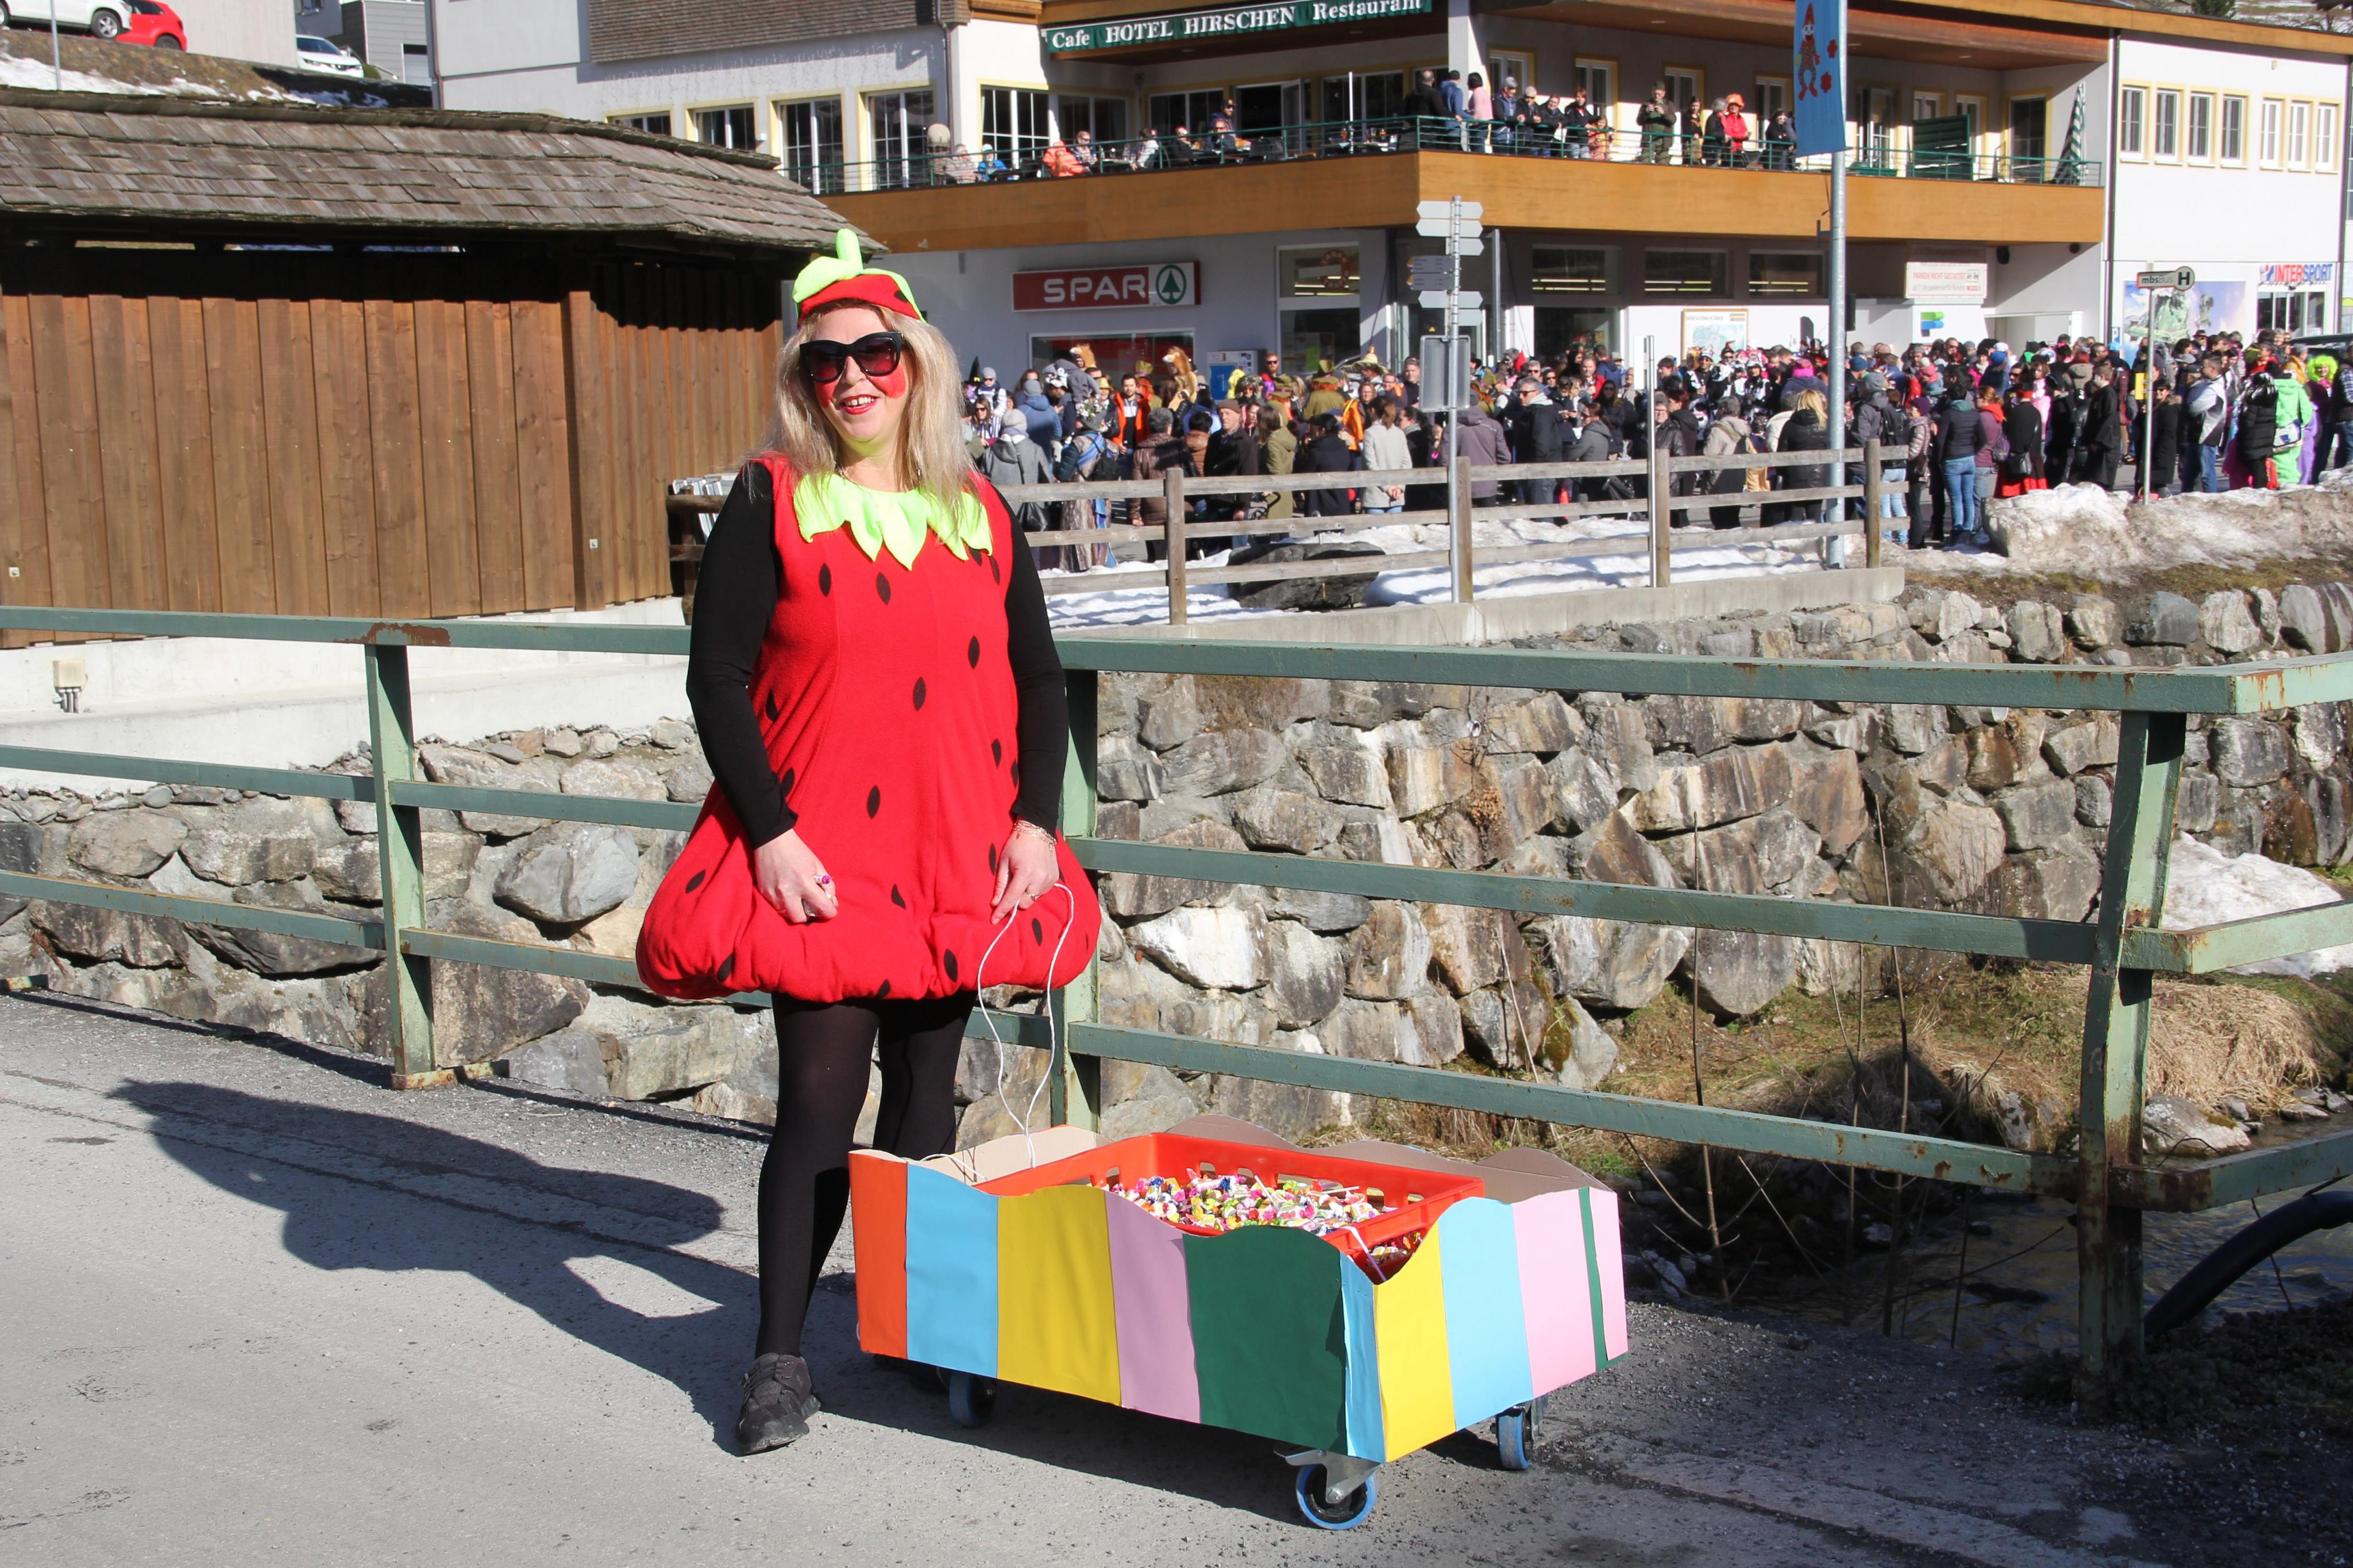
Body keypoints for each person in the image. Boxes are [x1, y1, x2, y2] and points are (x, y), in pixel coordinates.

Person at [642, 231, 1097, 1457]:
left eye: (876, 355)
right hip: (828, 858)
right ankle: (777, 1360)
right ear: (800, 382)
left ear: (919, 365)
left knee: (926, 1103)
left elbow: (1040, 679)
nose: (851, 378)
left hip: (958, 849)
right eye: (823, 361)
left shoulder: (977, 511)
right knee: (817, 1104)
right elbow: (717, 679)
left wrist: (1035, 823)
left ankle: (913, 1327)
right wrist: (772, 835)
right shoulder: (769, 500)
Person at [1933, 385, 1988, 549]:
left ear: (1950, 397)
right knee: (1968, 497)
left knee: (1956, 498)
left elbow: (1940, 440)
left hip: (1952, 460)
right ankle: (1968, 530)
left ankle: (1957, 531)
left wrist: (1939, 459)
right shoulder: (1974, 414)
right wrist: (1973, 451)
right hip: (1969, 458)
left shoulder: (1949, 414)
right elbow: (1983, 439)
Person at [1294, 411, 1363, 516]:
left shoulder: (1316, 450)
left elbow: (1308, 473)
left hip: (1319, 501)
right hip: (1341, 498)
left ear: (1322, 430)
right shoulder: (1344, 448)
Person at [1361, 395, 1413, 513]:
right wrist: (1399, 487)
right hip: (1397, 494)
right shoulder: (1399, 433)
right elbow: (1407, 464)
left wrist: (1387, 488)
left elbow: (1371, 465)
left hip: (1376, 494)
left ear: (1372, 411)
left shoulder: (1370, 433)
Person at [1996, 387, 2047, 499]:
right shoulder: (2036, 413)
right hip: (2033, 458)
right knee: (2033, 497)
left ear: (2018, 395)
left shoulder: (2013, 412)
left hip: (2014, 458)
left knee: (2010, 498)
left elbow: (2006, 433)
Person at [1257, 403, 1298, 520]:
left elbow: (1277, 472)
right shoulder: (1284, 436)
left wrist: (1268, 490)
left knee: (1272, 530)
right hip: (1285, 493)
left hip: (1274, 496)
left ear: (1263, 424)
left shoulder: (1272, 444)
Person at [1638, 86, 1675, 164]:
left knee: (1663, 164)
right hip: (1649, 139)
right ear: (1652, 92)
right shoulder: (1646, 104)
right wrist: (1646, 112)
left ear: (1664, 94)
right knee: (1645, 162)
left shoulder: (1669, 105)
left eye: (1659, 94)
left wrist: (1664, 113)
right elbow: (1639, 121)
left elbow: (1673, 120)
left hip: (1664, 139)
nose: (1656, 96)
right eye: (1655, 94)